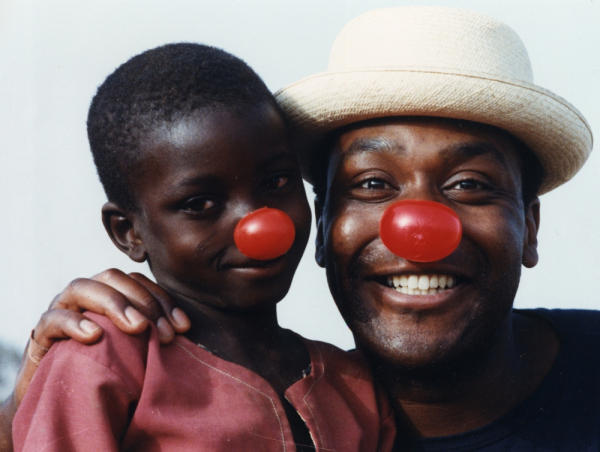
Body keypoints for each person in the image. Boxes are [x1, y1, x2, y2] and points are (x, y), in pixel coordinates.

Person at [3, 6, 597, 451]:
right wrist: (27, 397)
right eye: (371, 184)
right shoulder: (115, 360)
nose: (416, 227)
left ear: (531, 227)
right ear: (325, 224)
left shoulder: (348, 398)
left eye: (468, 184)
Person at [9, 43, 394, 451]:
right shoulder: (103, 358)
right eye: (200, 205)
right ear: (128, 232)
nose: (258, 224)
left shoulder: (354, 386)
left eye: (277, 182)